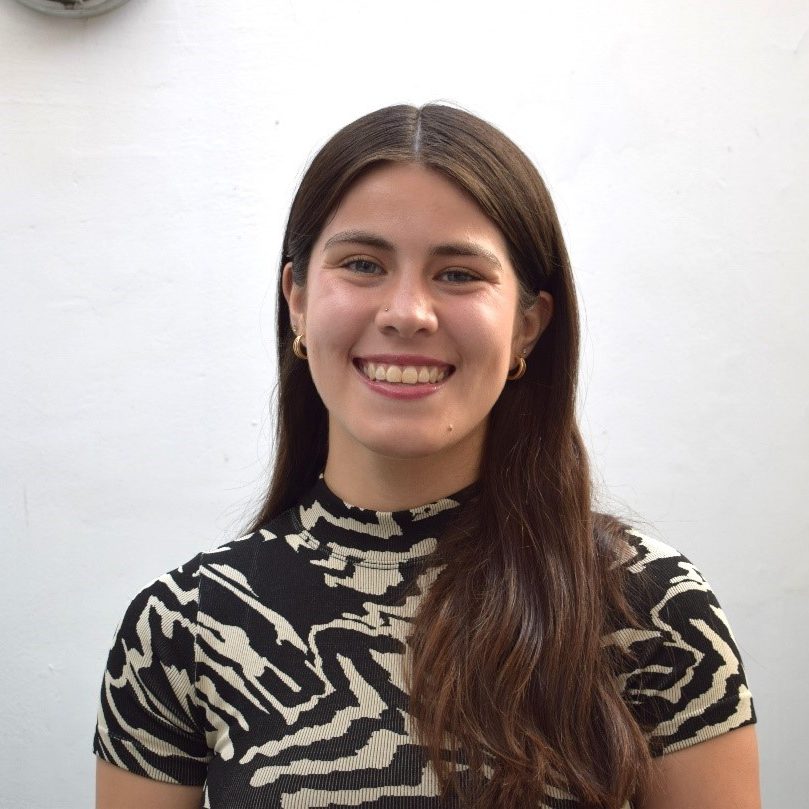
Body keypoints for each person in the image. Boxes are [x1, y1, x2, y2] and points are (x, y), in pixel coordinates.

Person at [93, 104, 760, 809]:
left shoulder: (649, 606)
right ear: (297, 300)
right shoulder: (182, 627)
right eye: (362, 264)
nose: (407, 312)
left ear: (528, 326)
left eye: (459, 274)